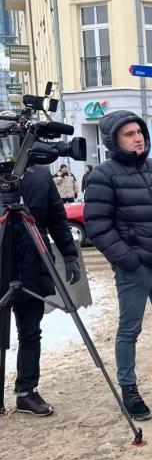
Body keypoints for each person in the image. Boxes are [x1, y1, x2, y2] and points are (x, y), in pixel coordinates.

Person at [84, 112, 152, 421]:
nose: (138, 138)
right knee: (129, 329)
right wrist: (128, 260)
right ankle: (129, 388)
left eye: (140, 132)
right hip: (135, 267)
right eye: (129, 134)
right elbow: (98, 226)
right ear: (113, 141)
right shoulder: (103, 175)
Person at [7, 164, 81, 416]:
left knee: (30, 333)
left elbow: (57, 220)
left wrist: (70, 255)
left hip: (33, 265)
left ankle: (26, 392)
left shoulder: (39, 174)